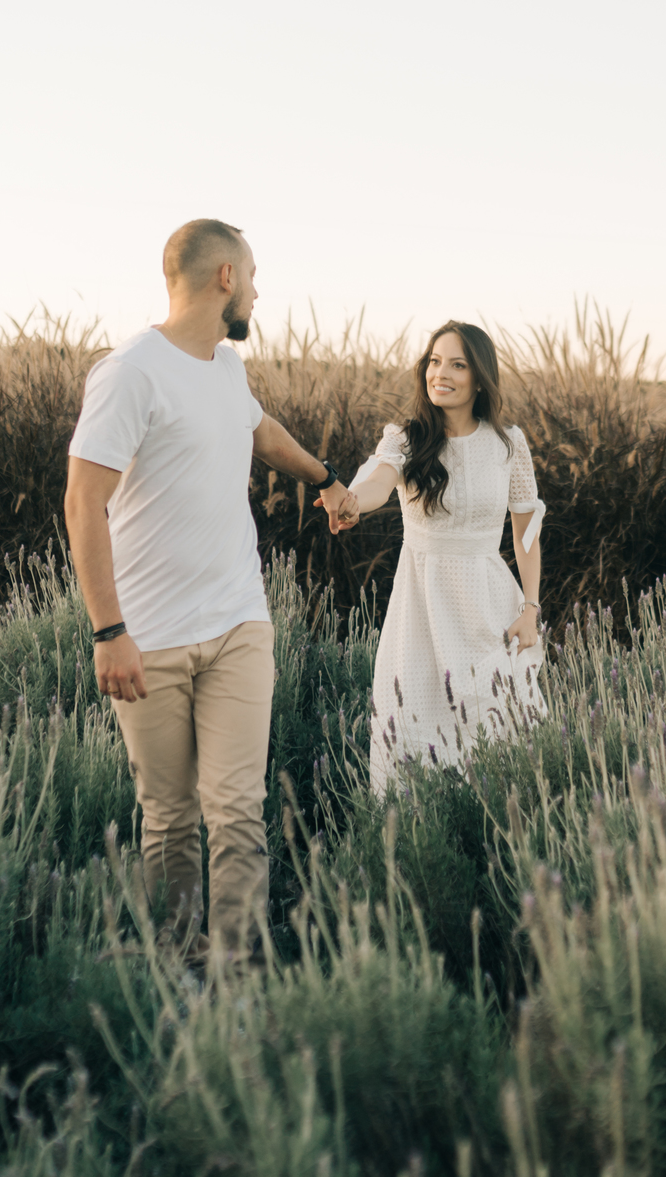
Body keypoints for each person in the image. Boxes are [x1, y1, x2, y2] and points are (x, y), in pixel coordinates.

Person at [64, 219, 348, 965]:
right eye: (252, 275)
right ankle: (175, 957)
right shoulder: (130, 371)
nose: (258, 290)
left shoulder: (225, 367)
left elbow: (263, 432)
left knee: (238, 807)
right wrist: (107, 629)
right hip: (148, 635)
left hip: (238, 624)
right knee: (168, 816)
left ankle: (238, 964)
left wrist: (326, 480)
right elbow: (82, 500)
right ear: (224, 276)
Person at [333, 321, 546, 793]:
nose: (440, 373)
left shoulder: (509, 444)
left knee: (499, 741)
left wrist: (530, 609)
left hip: (491, 610)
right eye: (433, 361)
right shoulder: (406, 438)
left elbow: (526, 532)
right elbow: (376, 482)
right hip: (422, 615)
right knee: (413, 741)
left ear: (479, 377)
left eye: (457, 363)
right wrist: (350, 501)